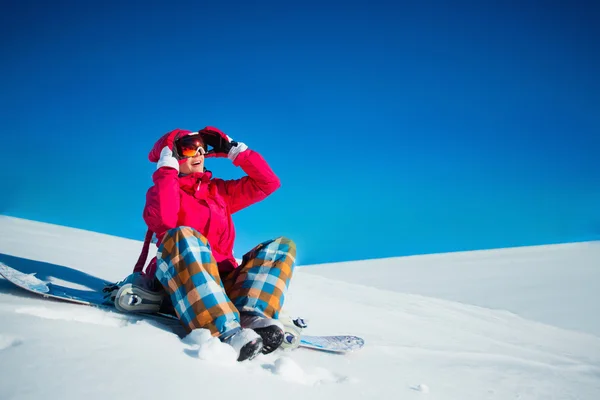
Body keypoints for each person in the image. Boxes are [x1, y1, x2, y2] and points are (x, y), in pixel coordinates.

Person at [131, 126, 296, 362]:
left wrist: (235, 151)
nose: (198, 153)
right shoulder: (162, 190)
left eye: (202, 147)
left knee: (282, 247)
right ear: (173, 155)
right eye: (189, 148)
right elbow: (165, 220)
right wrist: (167, 170)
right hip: (181, 282)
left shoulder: (218, 191)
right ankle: (224, 330)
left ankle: (250, 315)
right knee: (182, 235)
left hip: (222, 282)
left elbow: (267, 183)